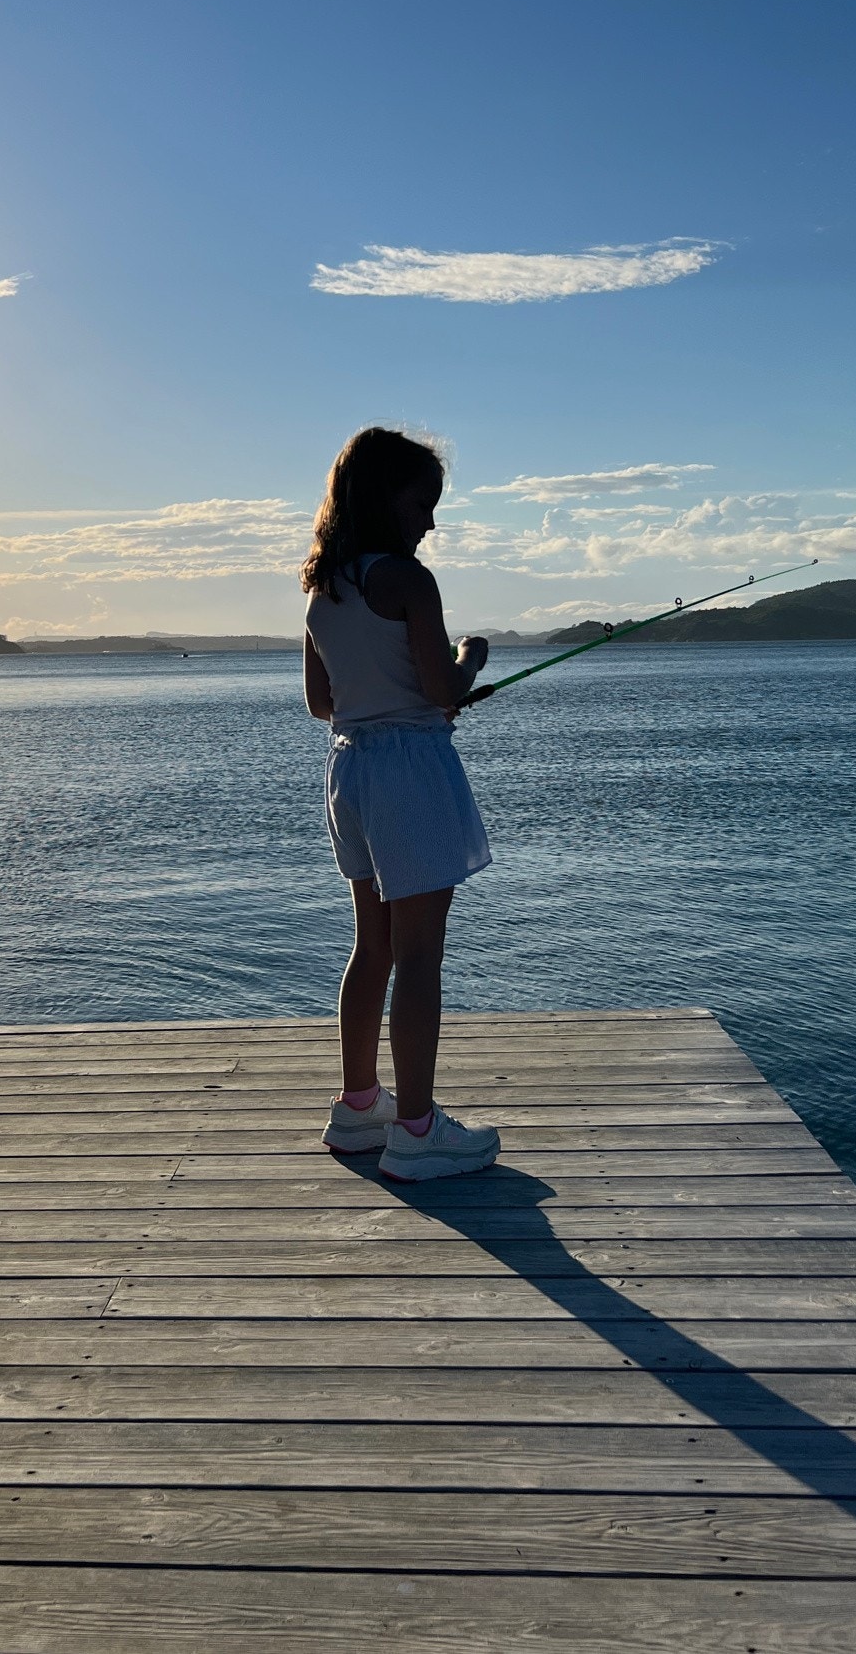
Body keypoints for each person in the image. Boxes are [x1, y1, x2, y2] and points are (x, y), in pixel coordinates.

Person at [302, 426, 501, 1181]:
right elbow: (442, 688)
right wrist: (470, 659)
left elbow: (322, 702)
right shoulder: (410, 582)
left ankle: (359, 1107)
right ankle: (417, 1130)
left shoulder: (324, 588)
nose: (430, 522)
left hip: (349, 769)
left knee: (373, 945)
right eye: (422, 504)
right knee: (419, 953)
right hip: (409, 773)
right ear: (384, 498)